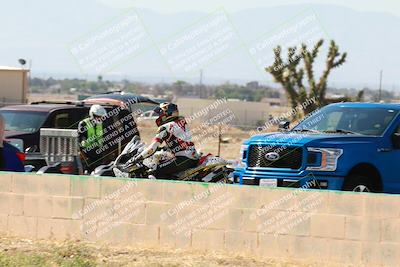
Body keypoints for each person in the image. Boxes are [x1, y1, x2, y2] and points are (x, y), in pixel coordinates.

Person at [133, 102, 199, 179]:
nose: (159, 116)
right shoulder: (182, 122)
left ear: (166, 113)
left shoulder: (165, 127)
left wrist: (138, 157)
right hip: (192, 158)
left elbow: (151, 149)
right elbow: (179, 142)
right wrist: (163, 149)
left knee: (153, 171)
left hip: (183, 159)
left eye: (160, 113)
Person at [78, 104, 108, 173]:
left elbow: (106, 138)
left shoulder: (102, 124)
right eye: (98, 117)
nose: (100, 119)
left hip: (99, 153)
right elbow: (79, 139)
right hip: (86, 153)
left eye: (101, 117)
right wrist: (82, 153)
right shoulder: (84, 124)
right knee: (87, 172)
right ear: (92, 115)